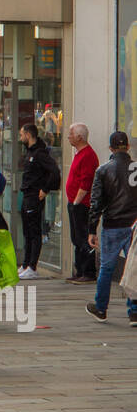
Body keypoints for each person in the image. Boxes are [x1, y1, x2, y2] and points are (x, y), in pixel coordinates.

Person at [86, 131, 137, 324]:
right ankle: (134, 310)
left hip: (113, 224)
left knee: (107, 268)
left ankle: (101, 308)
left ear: (111, 148)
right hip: (134, 224)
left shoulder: (104, 170)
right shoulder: (135, 168)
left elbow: (96, 202)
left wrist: (92, 228)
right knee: (134, 267)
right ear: (128, 148)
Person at [18, 122, 60, 278]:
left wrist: (46, 188)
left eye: (22, 134)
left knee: (34, 231)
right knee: (27, 232)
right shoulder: (30, 152)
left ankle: (32, 266)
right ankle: (26, 264)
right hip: (27, 194)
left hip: (34, 196)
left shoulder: (40, 154)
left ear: (28, 135)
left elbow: (54, 171)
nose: (21, 137)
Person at [65, 122, 99, 283]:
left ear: (79, 137)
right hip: (75, 202)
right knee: (76, 238)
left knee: (83, 237)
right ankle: (80, 270)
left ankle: (88, 271)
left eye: (71, 134)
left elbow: (86, 182)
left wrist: (76, 202)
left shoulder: (88, 155)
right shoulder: (79, 153)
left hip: (82, 204)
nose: (68, 137)